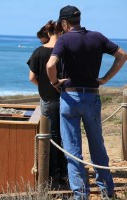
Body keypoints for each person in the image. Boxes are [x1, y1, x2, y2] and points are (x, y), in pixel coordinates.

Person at [46, 5, 127, 199]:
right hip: (92, 96)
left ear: (64, 23)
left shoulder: (64, 39)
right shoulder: (97, 37)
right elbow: (122, 55)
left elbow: (50, 64)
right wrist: (106, 79)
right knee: (97, 145)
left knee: (73, 150)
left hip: (70, 97)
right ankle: (107, 192)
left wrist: (55, 82)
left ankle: (81, 195)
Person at [27, 20, 68, 187]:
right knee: (67, 136)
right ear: (60, 32)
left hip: (48, 99)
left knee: (49, 136)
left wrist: (44, 85)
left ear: (48, 34)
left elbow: (32, 78)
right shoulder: (65, 52)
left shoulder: (38, 52)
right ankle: (66, 173)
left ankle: (52, 176)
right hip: (67, 98)